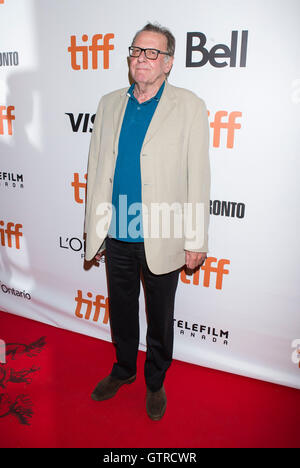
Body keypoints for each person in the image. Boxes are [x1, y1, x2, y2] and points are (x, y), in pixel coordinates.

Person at [84, 23, 210, 421]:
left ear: (168, 63)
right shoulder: (108, 103)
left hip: (163, 231)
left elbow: (198, 177)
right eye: (137, 50)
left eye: (153, 53)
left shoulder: (188, 105)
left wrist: (196, 238)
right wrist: (96, 228)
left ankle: (155, 381)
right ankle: (123, 370)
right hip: (117, 230)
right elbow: (96, 169)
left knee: (160, 315)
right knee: (121, 309)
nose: (142, 58)